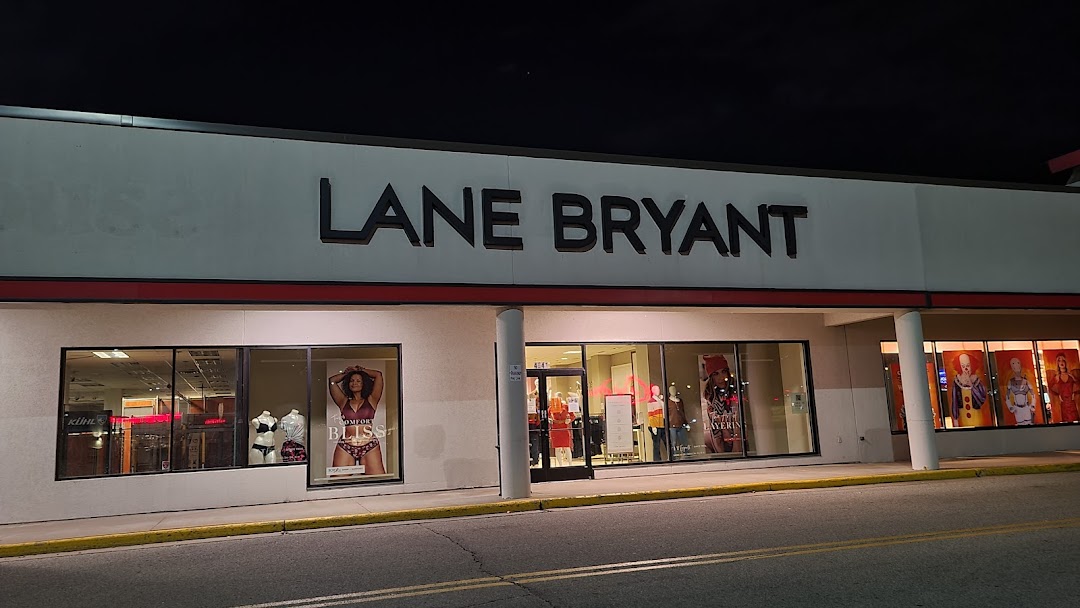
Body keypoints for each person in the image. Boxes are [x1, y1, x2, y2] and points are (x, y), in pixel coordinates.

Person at [328, 365, 386, 475]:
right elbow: (332, 381)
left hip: (369, 445)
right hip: (346, 446)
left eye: (358, 381)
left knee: (378, 480)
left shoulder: (372, 399)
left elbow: (378, 375)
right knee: (338, 481)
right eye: (351, 380)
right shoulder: (343, 401)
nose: (354, 383)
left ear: (364, 384)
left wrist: (361, 370)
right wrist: (346, 373)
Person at [701, 355, 740, 453]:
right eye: (716, 374)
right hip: (718, 447)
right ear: (711, 377)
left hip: (739, 446)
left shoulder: (736, 392)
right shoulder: (708, 398)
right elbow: (712, 429)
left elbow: (738, 423)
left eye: (723, 371)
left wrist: (736, 449)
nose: (721, 377)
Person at [950, 353, 988, 426]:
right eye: (963, 366)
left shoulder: (977, 381)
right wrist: (955, 419)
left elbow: (982, 398)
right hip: (963, 416)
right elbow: (955, 400)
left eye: (968, 366)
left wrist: (971, 385)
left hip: (976, 415)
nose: (966, 369)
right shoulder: (957, 381)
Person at [1004, 358, 1036, 426]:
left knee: (1028, 424)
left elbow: (1033, 394)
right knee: (1020, 424)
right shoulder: (1011, 382)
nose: (1016, 367)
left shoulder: (1026, 381)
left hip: (1026, 408)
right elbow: (1007, 396)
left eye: (1018, 364)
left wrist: (1032, 405)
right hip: (1017, 409)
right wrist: (1010, 406)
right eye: (1013, 364)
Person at [1049, 354, 1079, 423]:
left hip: (1071, 401)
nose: (1061, 362)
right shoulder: (1057, 377)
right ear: (1057, 363)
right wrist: (1058, 394)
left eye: (1063, 360)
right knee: (1066, 421)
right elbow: (1050, 388)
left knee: (1075, 419)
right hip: (1063, 402)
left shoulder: (1071, 376)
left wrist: (1074, 393)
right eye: (1059, 361)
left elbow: (1077, 385)